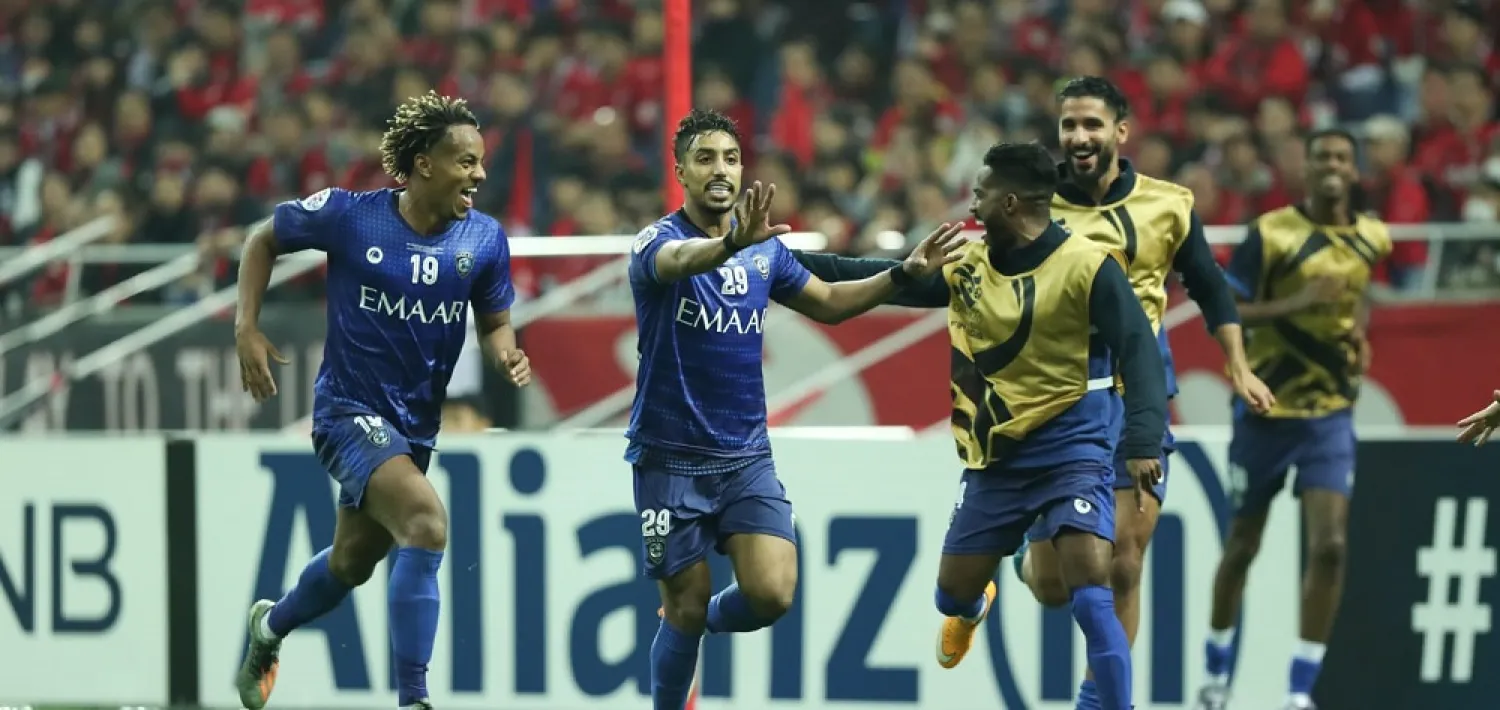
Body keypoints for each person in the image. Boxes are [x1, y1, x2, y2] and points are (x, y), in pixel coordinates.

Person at [794, 75, 1274, 710]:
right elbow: (884, 281)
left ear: (1119, 132)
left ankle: (1100, 700)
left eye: (1091, 125)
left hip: (1114, 399)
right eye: (1068, 125)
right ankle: (1016, 555)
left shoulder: (1163, 208)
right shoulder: (1018, 223)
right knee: (1049, 583)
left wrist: (1235, 365)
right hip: (1019, 414)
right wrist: (776, 263)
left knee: (1118, 563)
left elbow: (1207, 288)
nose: (1078, 136)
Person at [807, 140, 1169, 710]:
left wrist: (1144, 440)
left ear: (1012, 203)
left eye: (981, 192)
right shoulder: (967, 267)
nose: (971, 203)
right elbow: (866, 274)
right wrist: (775, 263)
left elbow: (1139, 353)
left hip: (1074, 446)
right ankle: (974, 605)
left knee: (1093, 581)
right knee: (951, 593)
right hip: (996, 456)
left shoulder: (1087, 267)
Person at [631, 108, 965, 710]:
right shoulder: (657, 243)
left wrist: (903, 275)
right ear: (679, 169)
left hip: (744, 456)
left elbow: (831, 302)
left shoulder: (765, 253)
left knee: (772, 593)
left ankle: (695, 622)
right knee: (679, 606)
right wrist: (729, 243)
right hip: (669, 457)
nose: (721, 169)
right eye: (705, 158)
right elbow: (680, 263)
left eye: (731, 158)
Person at [232, 92, 533, 710]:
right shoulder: (350, 216)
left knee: (351, 562)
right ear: (424, 164)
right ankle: (413, 700)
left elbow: (496, 321)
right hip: (346, 411)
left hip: (414, 428)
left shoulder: (484, 239)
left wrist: (505, 350)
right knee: (426, 522)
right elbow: (263, 239)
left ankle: (270, 627)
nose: (479, 174)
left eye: (480, 162)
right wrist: (246, 327)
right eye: (465, 162)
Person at [1196, 129, 1391, 710]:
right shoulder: (1271, 234)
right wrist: (1298, 303)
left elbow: (1358, 295)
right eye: (1321, 158)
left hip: (1329, 413)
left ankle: (1298, 692)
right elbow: (1226, 311)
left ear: (1354, 171)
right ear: (1304, 170)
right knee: (1242, 547)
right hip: (1265, 411)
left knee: (1329, 545)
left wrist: (1357, 333)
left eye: (1340, 157)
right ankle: (1216, 668)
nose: (1331, 166)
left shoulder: (1371, 236)